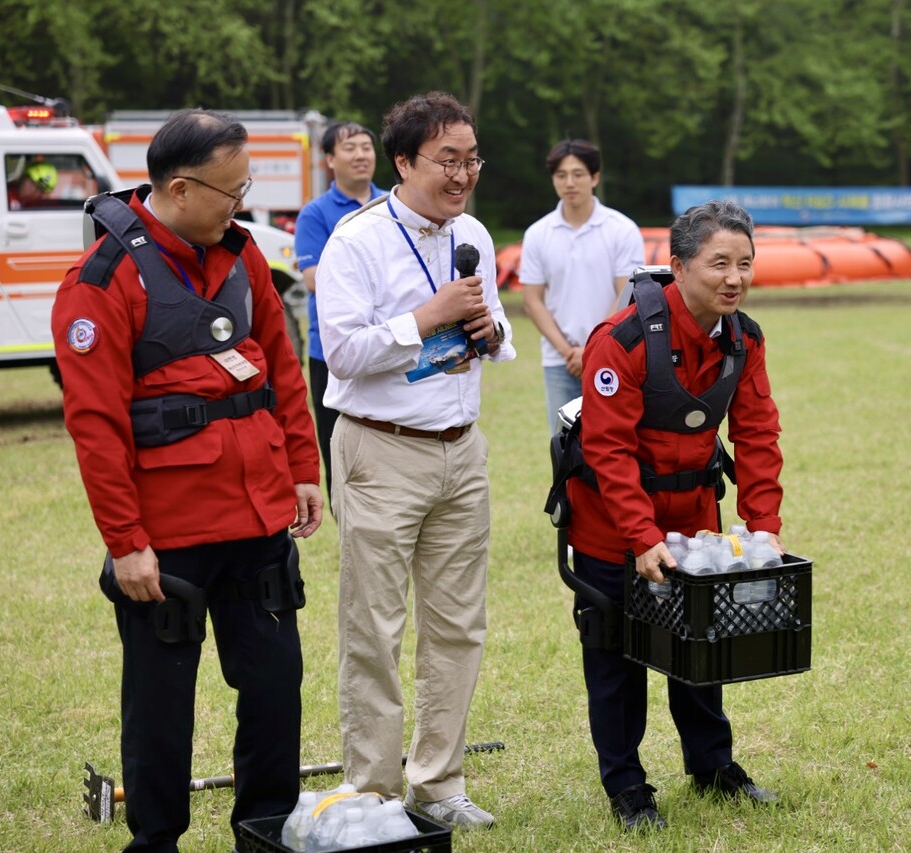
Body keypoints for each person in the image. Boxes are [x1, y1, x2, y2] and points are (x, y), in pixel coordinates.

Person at [51, 109, 324, 852]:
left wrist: (304, 468)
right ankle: (156, 841)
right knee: (160, 706)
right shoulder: (101, 281)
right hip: (166, 543)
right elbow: (97, 427)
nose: (242, 205)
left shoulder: (243, 261)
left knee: (275, 691)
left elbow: (282, 370)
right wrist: (126, 542)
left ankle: (266, 832)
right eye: (232, 192)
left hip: (259, 523)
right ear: (178, 187)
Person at [315, 91, 515, 829]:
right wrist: (424, 318)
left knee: (459, 625)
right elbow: (342, 352)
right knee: (374, 626)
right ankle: (372, 790)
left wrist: (486, 331)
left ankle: (440, 783)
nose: (462, 175)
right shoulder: (356, 241)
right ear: (403, 162)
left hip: (462, 450)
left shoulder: (476, 235)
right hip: (380, 450)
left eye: (471, 160)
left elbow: (486, 332)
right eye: (447, 161)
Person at [567, 200, 785, 830]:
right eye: (719, 263)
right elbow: (607, 451)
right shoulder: (623, 339)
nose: (734, 278)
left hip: (695, 524)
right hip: (612, 529)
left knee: (701, 652)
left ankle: (714, 767)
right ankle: (628, 790)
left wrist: (762, 523)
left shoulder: (744, 339)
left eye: (745, 264)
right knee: (616, 661)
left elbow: (759, 432)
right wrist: (639, 537)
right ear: (679, 264)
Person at [519, 139, 645, 435]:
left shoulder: (621, 229)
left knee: (614, 440)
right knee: (564, 448)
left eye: (578, 174)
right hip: (559, 360)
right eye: (561, 175)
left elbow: (626, 295)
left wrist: (593, 349)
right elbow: (532, 301)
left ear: (595, 177)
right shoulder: (538, 234)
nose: (569, 182)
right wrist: (568, 351)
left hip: (614, 355)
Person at [294, 120, 385, 500]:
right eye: (350, 148)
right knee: (339, 450)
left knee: (389, 448)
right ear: (330, 159)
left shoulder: (394, 204)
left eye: (366, 146)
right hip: (332, 353)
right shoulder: (315, 215)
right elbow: (316, 280)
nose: (361, 154)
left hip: (389, 346)